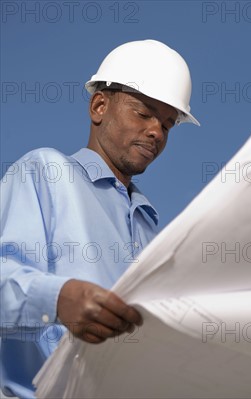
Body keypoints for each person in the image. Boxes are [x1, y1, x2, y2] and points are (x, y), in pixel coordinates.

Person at [0, 39, 200, 398]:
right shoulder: (45, 173)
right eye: (143, 113)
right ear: (99, 105)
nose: (156, 131)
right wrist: (58, 299)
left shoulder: (153, 231)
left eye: (168, 125)